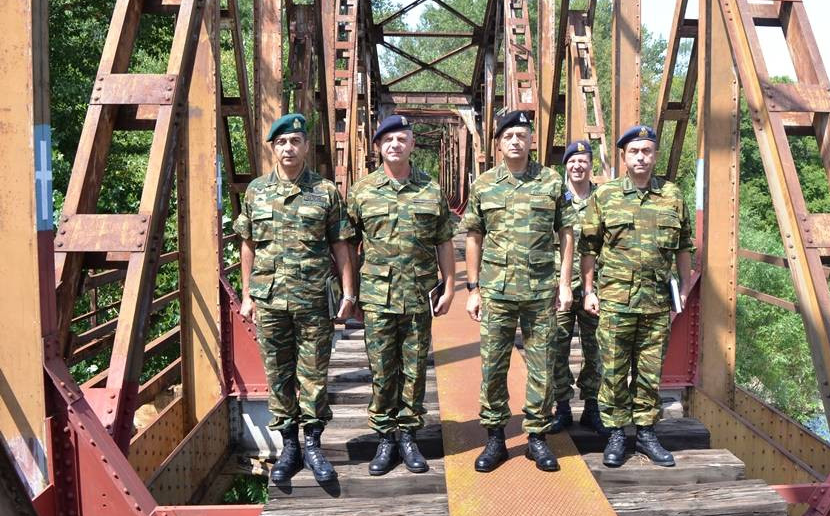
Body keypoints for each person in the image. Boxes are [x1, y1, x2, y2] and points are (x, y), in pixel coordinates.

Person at [234, 113, 357, 485]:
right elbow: (248, 245)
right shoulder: (256, 191)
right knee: (278, 375)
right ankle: (289, 447)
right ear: (273, 148)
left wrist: (349, 292)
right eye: (282, 143)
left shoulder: (325, 191)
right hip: (270, 300)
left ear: (306, 146)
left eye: (296, 141)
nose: (289, 148)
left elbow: (341, 244)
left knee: (314, 376)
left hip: (313, 301)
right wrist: (247, 295)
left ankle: (314, 444)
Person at [463, 109, 575, 473]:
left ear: (530, 141)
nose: (516, 141)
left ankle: (537, 438)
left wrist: (564, 283)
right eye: (508, 135)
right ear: (498, 143)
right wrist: (473, 287)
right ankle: (495, 437)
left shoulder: (551, 182)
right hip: (496, 290)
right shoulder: (483, 185)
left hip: (541, 291)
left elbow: (567, 232)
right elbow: (474, 237)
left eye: (522, 135)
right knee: (493, 366)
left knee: (542, 366)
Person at [347, 115, 456, 476]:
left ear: (412, 144)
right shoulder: (362, 191)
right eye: (388, 139)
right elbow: (347, 245)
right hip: (377, 295)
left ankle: (409, 436)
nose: (395, 145)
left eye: (402, 139)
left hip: (418, 293)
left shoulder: (430, 189)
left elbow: (444, 239)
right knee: (381, 369)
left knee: (414, 369)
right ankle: (385, 438)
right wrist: (350, 293)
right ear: (377, 146)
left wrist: (450, 285)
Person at [580, 125, 693, 468]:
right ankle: (616, 434)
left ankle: (645, 433)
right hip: (615, 299)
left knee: (648, 371)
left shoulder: (672, 196)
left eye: (647, 151)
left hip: (656, 302)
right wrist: (587, 290)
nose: (641, 157)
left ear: (655, 155)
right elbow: (588, 247)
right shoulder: (606, 196)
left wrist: (685, 287)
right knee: (613, 369)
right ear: (624, 157)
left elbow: (684, 245)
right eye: (634, 151)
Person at [550, 140, 606, 435]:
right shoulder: (554, 197)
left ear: (590, 165)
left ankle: (592, 406)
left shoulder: (603, 197)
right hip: (560, 285)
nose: (578, 165)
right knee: (557, 346)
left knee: (594, 348)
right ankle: (561, 406)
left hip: (594, 285)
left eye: (583, 160)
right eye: (572, 160)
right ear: (566, 165)